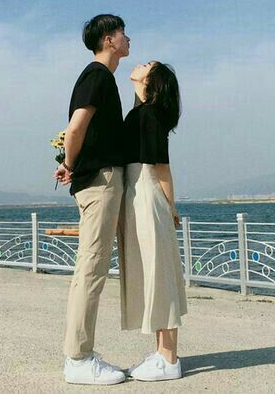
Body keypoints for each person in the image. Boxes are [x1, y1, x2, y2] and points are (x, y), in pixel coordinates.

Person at [55, 14, 130, 385]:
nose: (128, 38)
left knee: (89, 268)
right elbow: (75, 129)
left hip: (98, 180)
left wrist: (69, 164)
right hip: (100, 181)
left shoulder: (101, 77)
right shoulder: (97, 76)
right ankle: (79, 359)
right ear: (108, 39)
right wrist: (70, 164)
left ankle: (79, 354)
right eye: (122, 32)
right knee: (92, 269)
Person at [119, 60, 187, 381]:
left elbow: (162, 169)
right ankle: (162, 352)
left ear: (152, 81)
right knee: (152, 273)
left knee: (160, 273)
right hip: (138, 195)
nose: (140, 63)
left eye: (148, 65)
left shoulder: (149, 115)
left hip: (148, 195)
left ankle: (169, 358)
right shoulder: (141, 113)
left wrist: (170, 208)